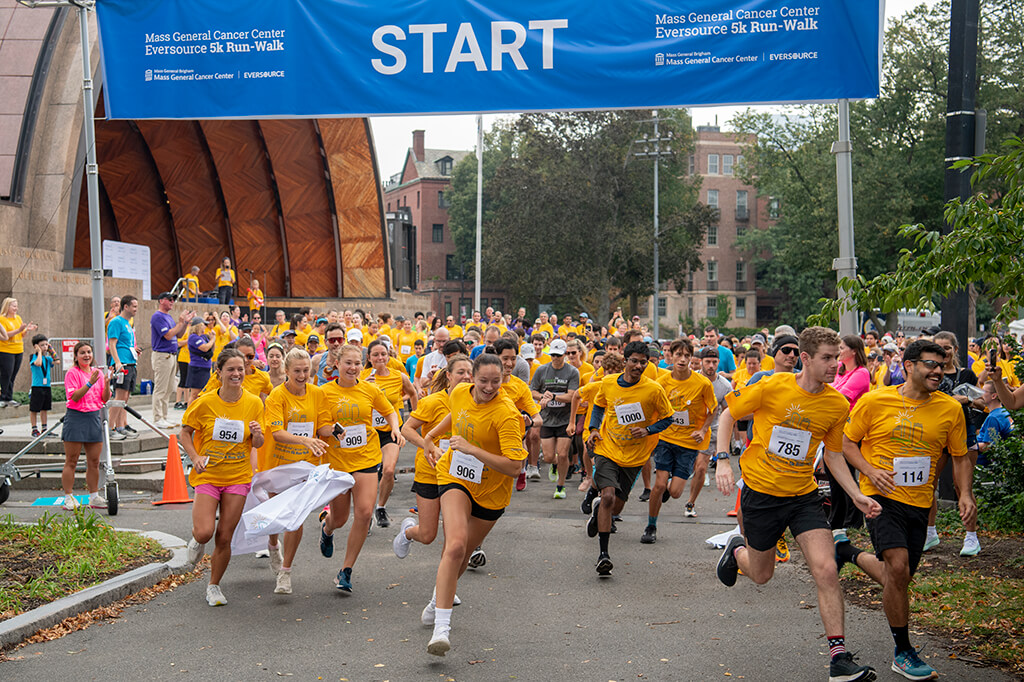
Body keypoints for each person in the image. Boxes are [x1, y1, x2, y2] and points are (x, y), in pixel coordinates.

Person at [715, 326, 880, 682]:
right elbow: (728, 415)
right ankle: (737, 550)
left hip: (803, 496)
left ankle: (839, 658)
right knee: (761, 575)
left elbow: (834, 456)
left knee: (826, 569)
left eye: (837, 357)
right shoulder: (773, 386)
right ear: (804, 359)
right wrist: (723, 459)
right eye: (827, 358)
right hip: (762, 494)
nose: (835, 364)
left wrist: (856, 494)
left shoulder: (836, 403)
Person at [836, 339, 974, 681]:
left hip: (919, 501)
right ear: (909, 365)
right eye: (931, 364)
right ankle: (903, 650)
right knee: (897, 568)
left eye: (942, 366)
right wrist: (868, 471)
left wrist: (965, 494)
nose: (938, 371)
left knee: (899, 576)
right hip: (880, 497)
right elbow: (847, 442)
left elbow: (960, 456)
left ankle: (846, 551)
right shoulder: (875, 400)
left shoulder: (950, 409)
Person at [421, 353, 527, 656]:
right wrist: (430, 436)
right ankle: (442, 628)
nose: (490, 387)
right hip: (455, 476)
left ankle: (436, 598)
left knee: (464, 554)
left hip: (492, 493)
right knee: (454, 545)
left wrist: (473, 449)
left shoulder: (506, 413)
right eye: (484, 381)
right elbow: (456, 414)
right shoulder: (458, 392)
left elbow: (514, 467)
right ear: (473, 378)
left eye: (496, 381)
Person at [182, 348, 265, 606]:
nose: (237, 374)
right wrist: (195, 457)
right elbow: (185, 433)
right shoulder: (205, 402)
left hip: (238, 477)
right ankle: (197, 540)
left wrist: (258, 433)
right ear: (219, 372)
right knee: (206, 532)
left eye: (240, 369)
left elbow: (259, 443)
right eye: (231, 369)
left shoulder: (253, 403)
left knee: (225, 536)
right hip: (209, 475)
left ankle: (214, 586)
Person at [317, 343, 401, 593]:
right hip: (338, 463)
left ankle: (346, 570)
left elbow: (390, 411)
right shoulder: (324, 392)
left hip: (366, 458)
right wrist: (332, 430)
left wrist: (395, 428)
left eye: (356, 363)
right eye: (348, 363)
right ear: (337, 365)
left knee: (364, 513)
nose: (353, 368)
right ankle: (327, 528)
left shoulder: (370, 389)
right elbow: (320, 427)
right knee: (341, 518)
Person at [584, 341, 674, 577]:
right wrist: (594, 428)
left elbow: (668, 418)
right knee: (608, 496)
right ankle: (603, 555)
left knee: (616, 506)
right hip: (608, 448)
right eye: (634, 360)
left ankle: (599, 515)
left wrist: (648, 430)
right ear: (625, 361)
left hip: (635, 455)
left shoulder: (653, 389)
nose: (638, 365)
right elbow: (598, 404)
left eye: (643, 362)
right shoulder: (608, 383)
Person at [262, 348, 329, 594]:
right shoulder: (276, 396)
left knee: (296, 518)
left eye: (306, 371)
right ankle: (272, 544)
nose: (302, 376)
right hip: (278, 466)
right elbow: (277, 433)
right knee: (277, 519)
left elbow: (322, 427)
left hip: (305, 467)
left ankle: (286, 572)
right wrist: (305, 440)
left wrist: (339, 429)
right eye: (297, 372)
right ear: (287, 371)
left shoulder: (317, 393)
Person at [396, 354, 473, 561]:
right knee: (428, 535)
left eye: (469, 373)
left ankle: (442, 592)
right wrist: (428, 446)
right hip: (430, 472)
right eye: (461, 372)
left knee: (454, 540)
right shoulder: (433, 402)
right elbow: (407, 429)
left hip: (459, 475)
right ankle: (408, 532)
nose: (466, 377)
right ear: (448, 375)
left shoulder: (476, 403)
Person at [641, 338, 716, 544]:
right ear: (671, 356)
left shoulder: (702, 383)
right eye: (678, 355)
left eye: (687, 356)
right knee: (658, 485)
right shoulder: (661, 383)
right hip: (665, 438)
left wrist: (702, 429)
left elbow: (713, 409)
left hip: (688, 443)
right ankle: (651, 526)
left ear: (692, 358)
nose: (682, 360)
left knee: (674, 493)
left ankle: (666, 490)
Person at [361, 339, 416, 528]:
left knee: (389, 470)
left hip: (390, 431)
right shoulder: (361, 376)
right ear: (369, 358)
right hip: (367, 433)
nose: (380, 358)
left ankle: (380, 507)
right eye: (375, 355)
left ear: (388, 355)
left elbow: (413, 393)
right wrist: (361, 386)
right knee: (367, 476)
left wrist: (415, 421)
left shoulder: (398, 376)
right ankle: (366, 514)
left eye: (383, 354)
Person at [826, 334, 872, 547]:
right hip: (836, 428)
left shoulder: (862, 373)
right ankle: (837, 519)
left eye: (842, 347)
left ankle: (851, 519)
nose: (839, 350)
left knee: (845, 476)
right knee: (834, 477)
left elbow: (839, 397)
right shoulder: (841, 371)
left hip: (852, 431)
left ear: (854, 351)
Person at [60, 341, 111, 510]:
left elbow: (104, 399)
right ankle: (68, 497)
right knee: (72, 461)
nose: (86, 355)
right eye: (82, 352)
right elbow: (74, 397)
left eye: (89, 352)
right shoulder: (72, 373)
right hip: (75, 417)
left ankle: (94, 496)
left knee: (94, 461)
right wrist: (89, 383)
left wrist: (107, 382)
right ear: (76, 356)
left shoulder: (97, 372)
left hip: (93, 417)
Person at [530, 339, 580, 499]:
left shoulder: (572, 372)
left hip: (564, 419)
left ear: (565, 355)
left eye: (558, 355)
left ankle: (560, 486)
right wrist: (542, 396)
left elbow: (572, 395)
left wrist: (554, 396)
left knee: (563, 454)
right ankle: (555, 465)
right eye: (553, 355)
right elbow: (532, 392)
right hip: (547, 419)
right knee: (549, 457)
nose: (555, 358)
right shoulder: (541, 370)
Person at [151, 292, 194, 429]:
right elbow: (168, 335)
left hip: (171, 355)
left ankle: (163, 416)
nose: (172, 302)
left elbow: (178, 334)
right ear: (161, 301)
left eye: (173, 300)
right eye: (169, 299)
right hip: (162, 355)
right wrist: (180, 322)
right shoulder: (157, 316)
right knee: (160, 388)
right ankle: (158, 418)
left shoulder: (168, 317)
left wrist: (185, 323)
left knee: (168, 388)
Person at [107, 295, 140, 440]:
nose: (136, 310)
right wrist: (117, 362)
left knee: (125, 397)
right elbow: (112, 344)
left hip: (131, 362)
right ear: (125, 306)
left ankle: (120, 426)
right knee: (119, 396)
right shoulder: (116, 322)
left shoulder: (128, 323)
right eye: (134, 306)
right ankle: (109, 427)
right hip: (122, 364)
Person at [0, 297, 37, 407]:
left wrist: (27, 330)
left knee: (13, 375)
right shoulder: (2, 319)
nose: (16, 308)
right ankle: (2, 398)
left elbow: (21, 334)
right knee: (6, 374)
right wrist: (19, 330)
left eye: (17, 305)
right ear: (7, 307)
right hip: (6, 350)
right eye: (14, 306)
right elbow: (5, 336)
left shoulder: (18, 318)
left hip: (18, 349)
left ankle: (9, 398)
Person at [29, 334, 58, 438]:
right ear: (36, 346)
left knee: (44, 408)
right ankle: (34, 428)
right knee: (34, 409)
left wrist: (51, 349)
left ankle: (45, 428)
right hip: (37, 386)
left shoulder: (48, 359)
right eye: (42, 345)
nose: (45, 347)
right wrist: (39, 352)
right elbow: (38, 363)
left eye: (46, 345)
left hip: (47, 386)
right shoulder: (34, 357)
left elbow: (57, 360)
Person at [186, 317, 215, 405]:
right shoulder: (193, 337)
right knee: (195, 393)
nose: (205, 327)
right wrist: (213, 339)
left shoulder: (202, 337)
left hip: (205, 367)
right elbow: (205, 348)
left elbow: (211, 350)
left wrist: (212, 340)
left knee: (202, 393)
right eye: (203, 325)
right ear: (198, 326)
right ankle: (189, 414)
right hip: (197, 368)